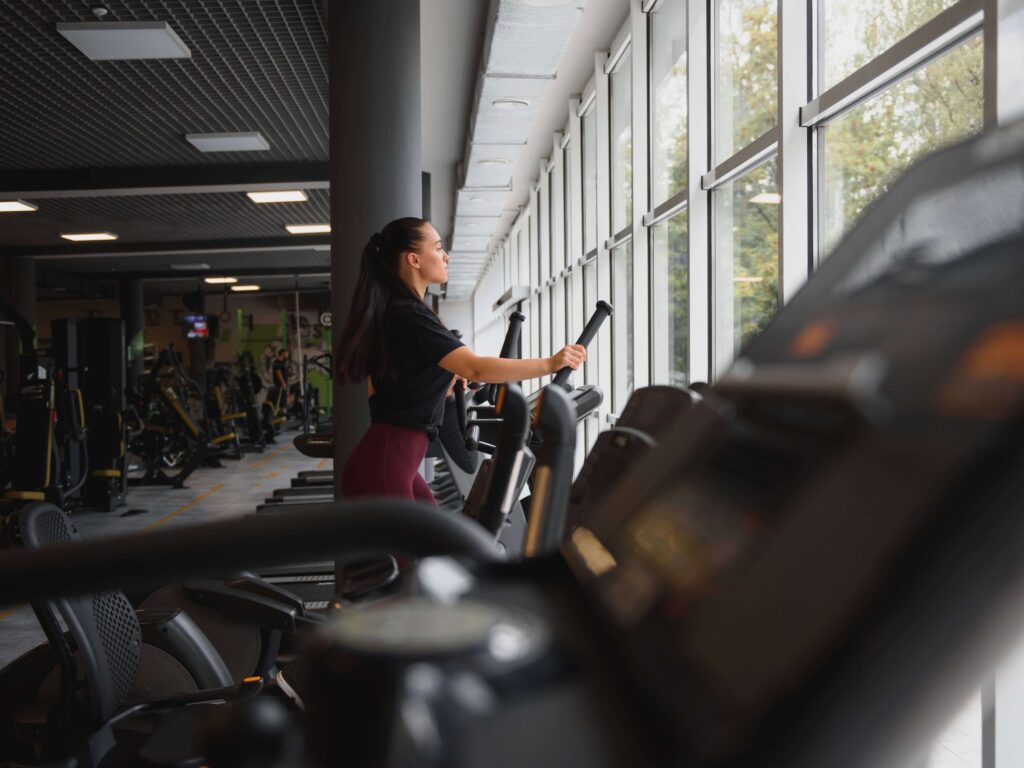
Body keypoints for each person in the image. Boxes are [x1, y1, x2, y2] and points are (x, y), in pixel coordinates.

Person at [335, 216, 585, 507]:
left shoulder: (398, 312)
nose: (446, 256)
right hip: (385, 466)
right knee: (416, 550)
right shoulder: (411, 316)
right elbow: (475, 367)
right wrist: (550, 364)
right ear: (414, 259)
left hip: (388, 461)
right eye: (438, 248)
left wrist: (443, 381)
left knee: (432, 540)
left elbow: (386, 389)